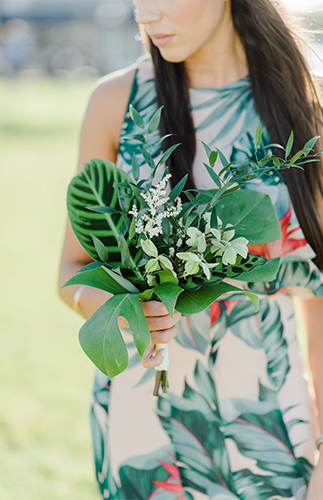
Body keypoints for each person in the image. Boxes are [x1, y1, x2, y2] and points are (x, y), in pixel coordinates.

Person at [58, 0, 323, 498]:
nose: (144, 14)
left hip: (267, 423)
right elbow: (72, 273)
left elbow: (320, 297)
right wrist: (123, 312)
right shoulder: (117, 101)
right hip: (143, 432)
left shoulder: (304, 105)